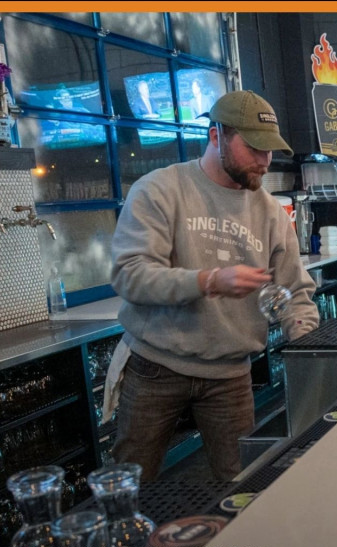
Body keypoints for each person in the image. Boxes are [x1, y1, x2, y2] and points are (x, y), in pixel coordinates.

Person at [109, 90, 319, 482]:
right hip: (156, 366)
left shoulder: (272, 213)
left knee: (242, 487)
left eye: (270, 149)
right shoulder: (161, 190)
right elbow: (129, 275)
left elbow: (295, 293)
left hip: (230, 375)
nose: (265, 160)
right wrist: (208, 281)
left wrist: (306, 343)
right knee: (131, 487)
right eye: (254, 147)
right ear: (216, 135)